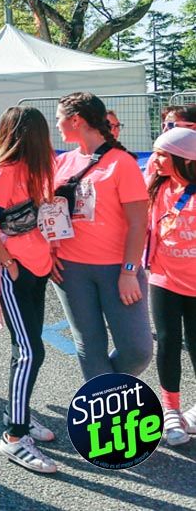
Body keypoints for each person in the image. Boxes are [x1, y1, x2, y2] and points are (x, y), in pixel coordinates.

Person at [0, 107, 59, 474]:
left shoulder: (39, 168)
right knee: (28, 352)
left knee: (30, 349)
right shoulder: (6, 171)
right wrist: (8, 261)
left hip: (37, 267)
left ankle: (18, 413)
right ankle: (14, 435)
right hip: (16, 272)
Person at [52, 92, 152, 381]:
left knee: (137, 351)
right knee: (90, 347)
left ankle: (105, 391)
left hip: (117, 270)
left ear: (76, 120)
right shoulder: (63, 162)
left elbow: (138, 223)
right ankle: (103, 402)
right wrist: (49, 251)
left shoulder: (121, 163)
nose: (57, 125)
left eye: (59, 118)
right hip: (70, 270)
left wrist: (129, 272)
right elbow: (51, 214)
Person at [143, 127, 196, 445]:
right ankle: (171, 409)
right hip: (163, 278)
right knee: (167, 341)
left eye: (162, 154)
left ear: (185, 159)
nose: (155, 159)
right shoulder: (156, 185)